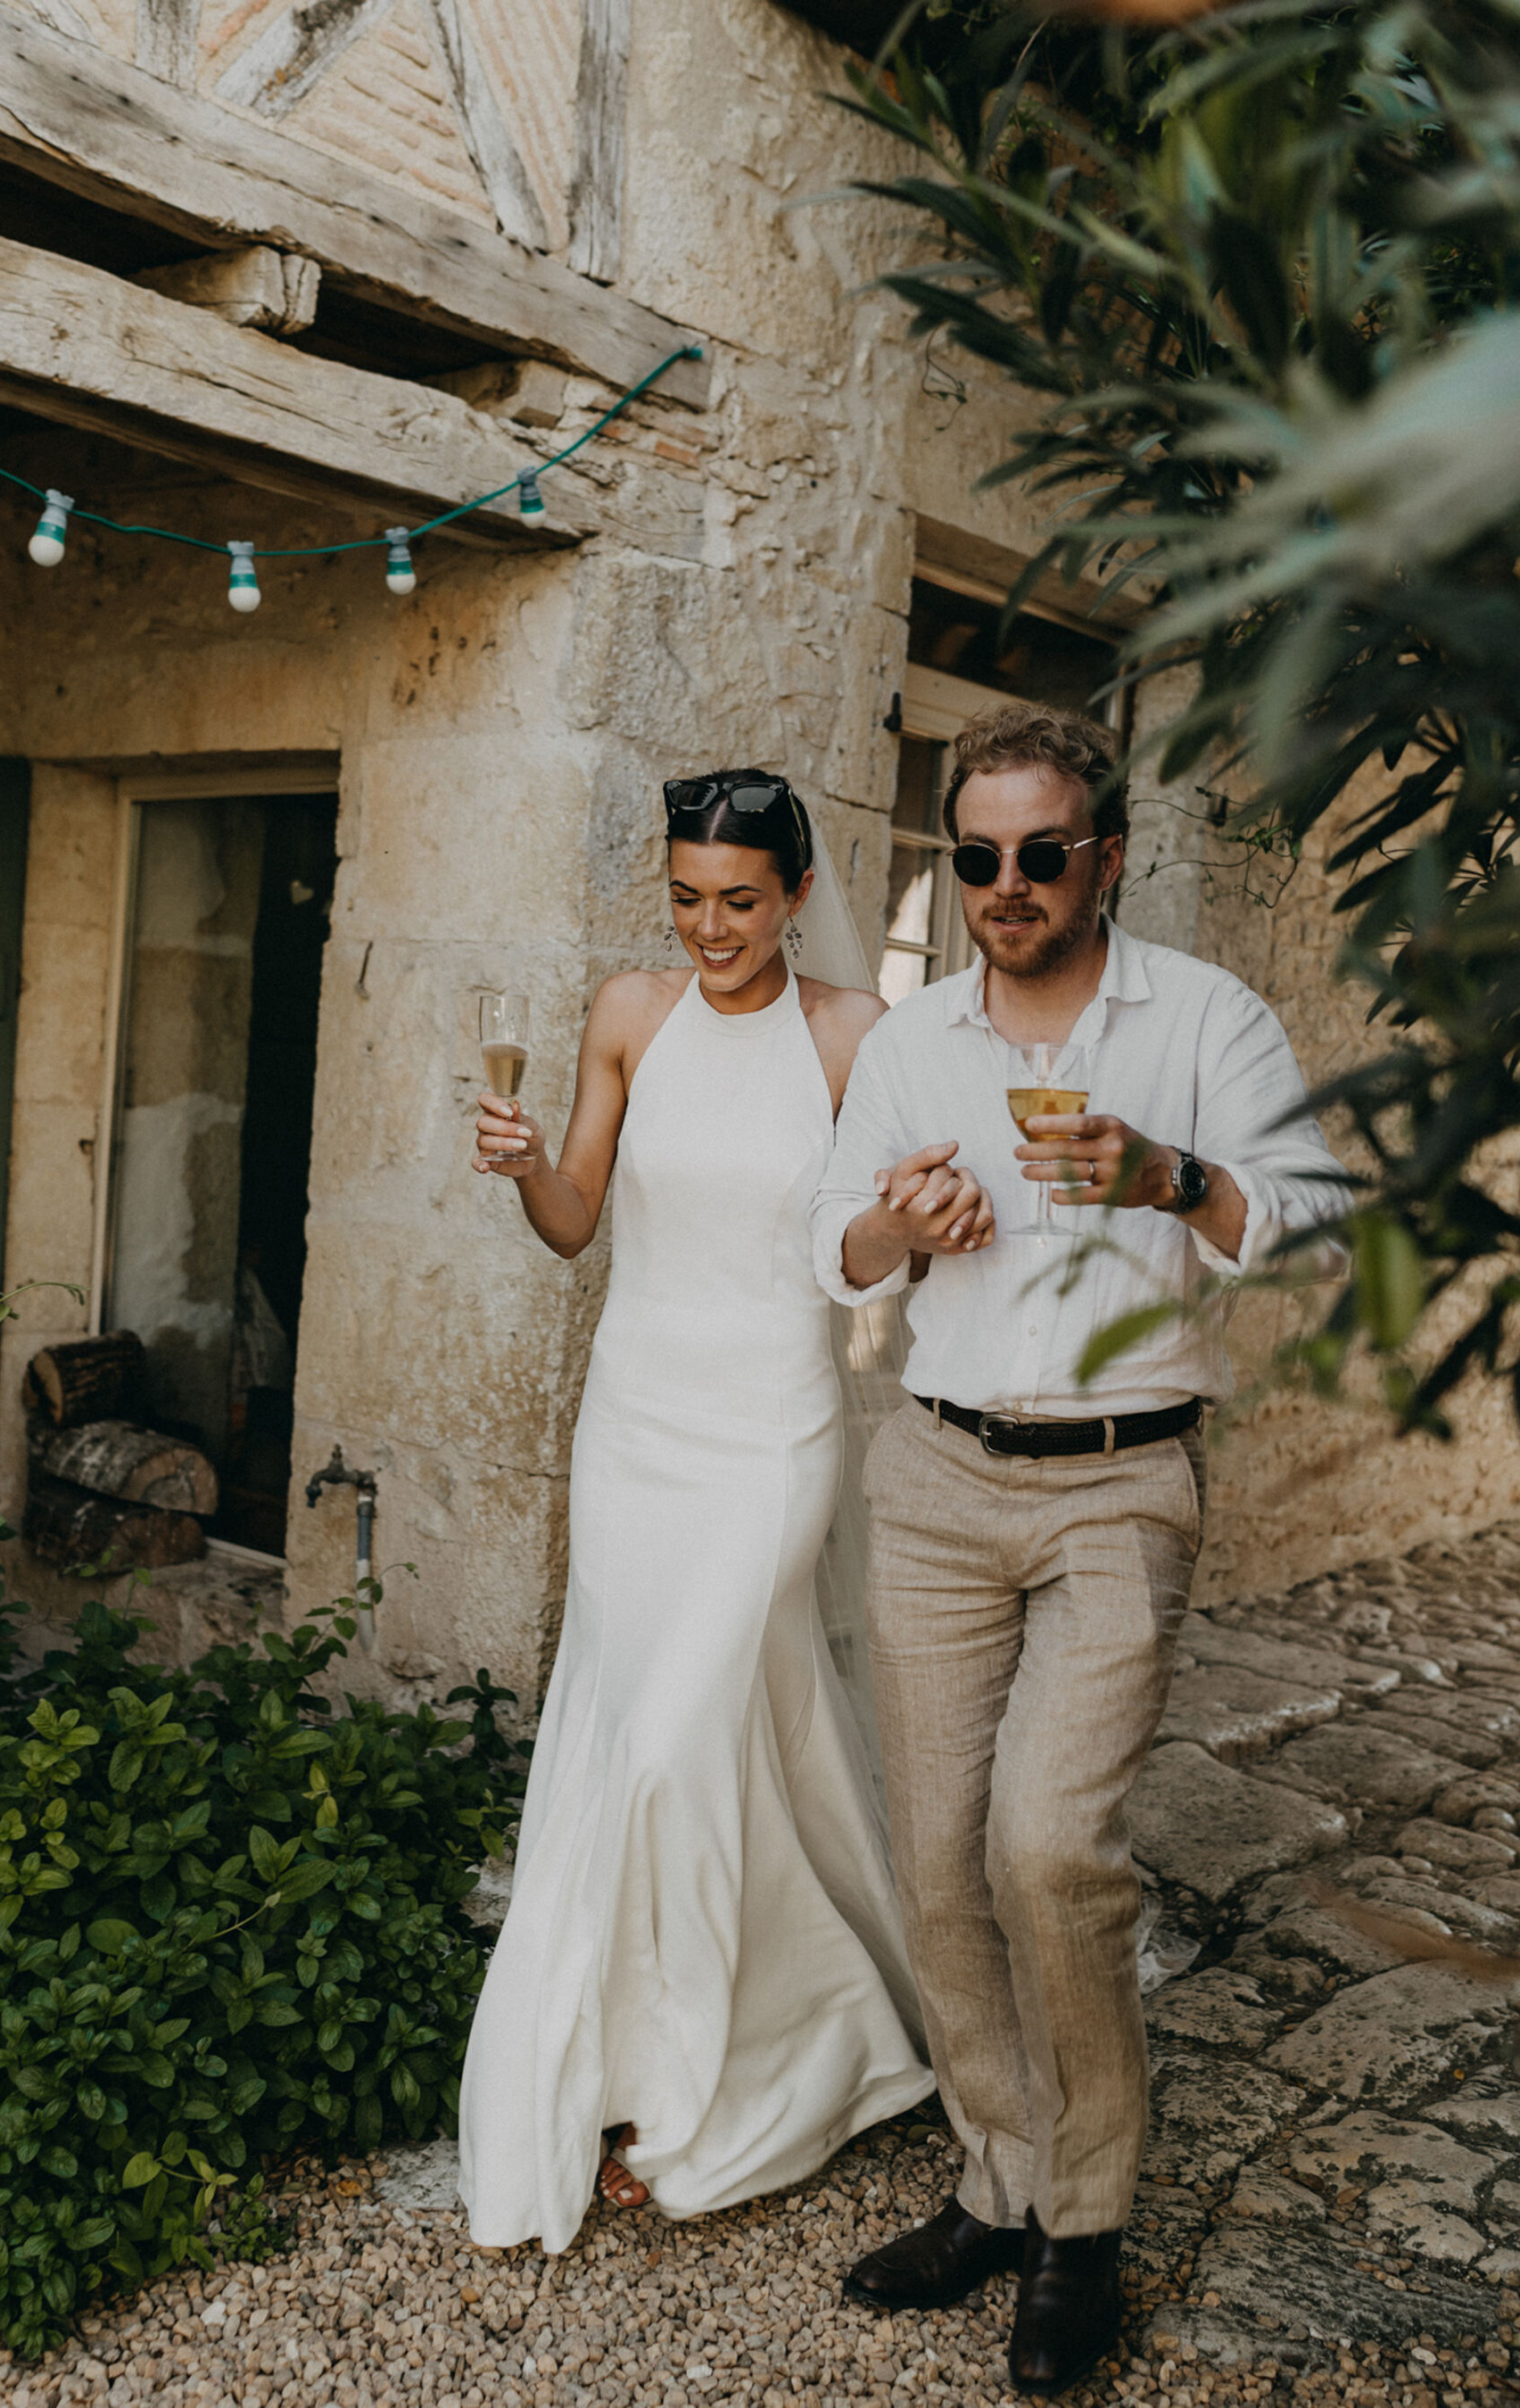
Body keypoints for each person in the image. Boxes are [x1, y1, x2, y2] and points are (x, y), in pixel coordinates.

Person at [811, 701, 1350, 2396]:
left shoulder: (1202, 1015)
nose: (1009, 883)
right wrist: (904, 1224)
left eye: (1045, 853)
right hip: (940, 1477)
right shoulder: (915, 1036)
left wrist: (1171, 1175)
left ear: (1106, 856)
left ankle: (1086, 2223)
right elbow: (839, 1256)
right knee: (942, 1857)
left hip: (1123, 1486)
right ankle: (997, 2178)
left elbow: (1317, 1230)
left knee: (1053, 1849)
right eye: (977, 856)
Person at [457, 769, 933, 2253]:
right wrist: (530, 1164)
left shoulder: (857, 1036)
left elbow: (876, 1247)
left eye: (738, 899)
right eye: (684, 897)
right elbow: (575, 1228)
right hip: (636, 1429)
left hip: (774, 1434)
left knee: (671, 1749)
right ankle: (751, 2022)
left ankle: (705, 2092)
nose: (708, 926)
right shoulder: (625, 1014)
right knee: (662, 1731)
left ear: (796, 893)